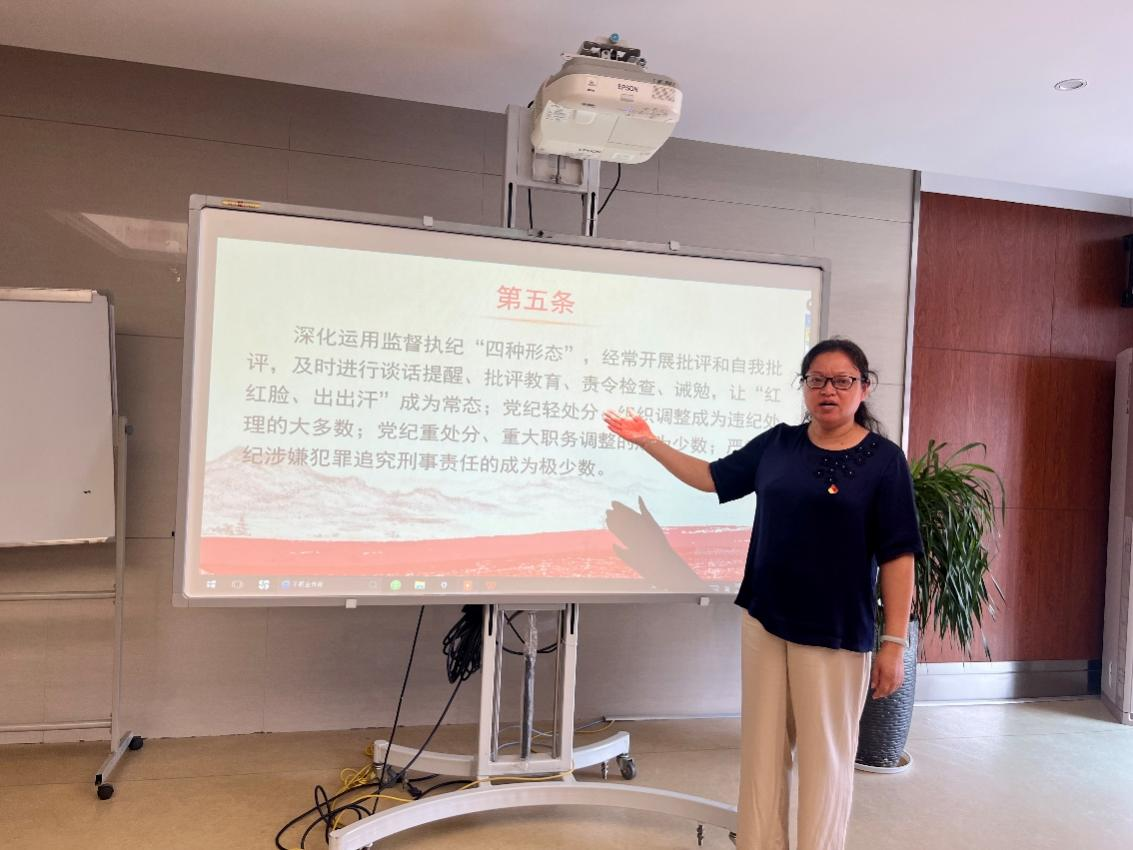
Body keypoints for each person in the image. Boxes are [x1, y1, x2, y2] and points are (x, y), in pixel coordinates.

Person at [603, 338, 922, 850]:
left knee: (825, 761)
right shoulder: (779, 444)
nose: (828, 390)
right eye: (816, 380)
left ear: (864, 388)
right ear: (804, 387)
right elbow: (711, 478)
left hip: (836, 632)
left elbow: (899, 555)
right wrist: (649, 441)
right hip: (766, 620)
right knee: (762, 753)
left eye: (842, 381)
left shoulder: (884, 461)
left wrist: (895, 643)